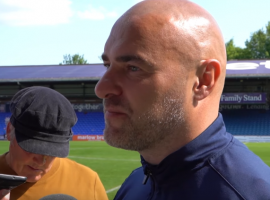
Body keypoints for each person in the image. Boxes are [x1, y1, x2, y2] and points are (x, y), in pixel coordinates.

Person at [94, 0, 270, 199]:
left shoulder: (251, 194)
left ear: (204, 80)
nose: (101, 89)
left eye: (133, 68)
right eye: (107, 65)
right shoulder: (135, 184)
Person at [0, 86, 108, 200]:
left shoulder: (89, 182)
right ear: (9, 131)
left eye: (52, 152)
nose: (41, 161)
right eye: (32, 148)